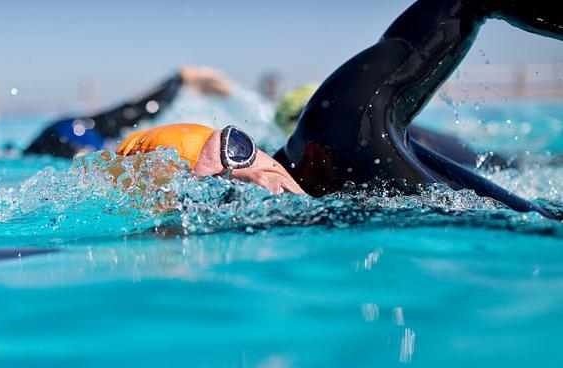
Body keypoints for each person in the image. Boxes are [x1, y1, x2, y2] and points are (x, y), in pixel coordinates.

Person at [114, 0, 561, 218]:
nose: (251, 179)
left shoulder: (341, 130)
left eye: (237, 148)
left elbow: (461, 3)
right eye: (220, 192)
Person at [0, 66, 232, 158]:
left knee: (134, 117)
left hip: (64, 136)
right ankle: (179, 79)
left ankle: (180, 78)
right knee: (137, 112)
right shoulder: (41, 142)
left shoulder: (40, 150)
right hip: (66, 128)